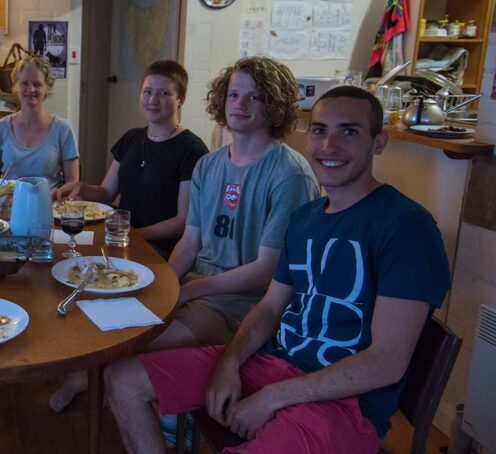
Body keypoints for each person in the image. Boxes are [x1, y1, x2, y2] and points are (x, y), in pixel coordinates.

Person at [104, 85, 451, 454]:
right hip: (273, 364)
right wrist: (230, 362)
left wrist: (274, 397)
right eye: (320, 130)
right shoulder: (305, 219)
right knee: (122, 379)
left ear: (378, 143)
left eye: (348, 131)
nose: (329, 145)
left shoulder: (406, 227)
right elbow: (270, 307)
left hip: (344, 405)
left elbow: (386, 362)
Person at [48, 57, 318, 414]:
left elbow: (266, 270)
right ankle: (111, 391)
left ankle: (115, 392)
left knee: (121, 345)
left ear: (275, 104)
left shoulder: (289, 174)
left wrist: (190, 290)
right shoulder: (210, 164)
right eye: (233, 94)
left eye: (254, 97)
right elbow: (190, 242)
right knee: (100, 319)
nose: (240, 104)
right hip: (196, 288)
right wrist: (165, 285)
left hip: (240, 307)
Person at [53, 59, 207, 259]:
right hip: (121, 238)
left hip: (160, 248)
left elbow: (182, 221)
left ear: (181, 100)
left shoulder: (191, 149)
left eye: (164, 93)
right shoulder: (131, 138)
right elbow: (107, 192)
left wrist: (134, 234)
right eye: (147, 92)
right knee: (63, 255)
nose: (153, 100)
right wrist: (81, 187)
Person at [0, 55, 79, 188]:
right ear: (16, 87)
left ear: (47, 88)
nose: (31, 89)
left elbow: (72, 186)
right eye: (24, 83)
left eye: (37, 84)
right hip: (9, 200)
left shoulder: (63, 130)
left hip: (50, 201)